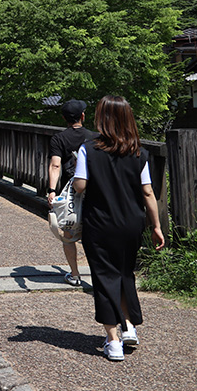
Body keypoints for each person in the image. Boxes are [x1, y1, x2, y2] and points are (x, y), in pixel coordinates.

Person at [73, 95, 165, 362]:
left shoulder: (89, 148)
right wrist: (156, 226)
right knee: (125, 273)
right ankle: (129, 327)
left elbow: (80, 185)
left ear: (103, 118)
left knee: (104, 277)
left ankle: (113, 341)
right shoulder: (139, 151)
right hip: (131, 224)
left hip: (100, 223)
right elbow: (148, 193)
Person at [47, 99, 97, 287]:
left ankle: (75, 275)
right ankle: (98, 274)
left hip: (71, 192)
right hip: (92, 188)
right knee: (92, 233)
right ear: (83, 116)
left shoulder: (58, 139)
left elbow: (55, 165)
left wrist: (52, 191)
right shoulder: (95, 137)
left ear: (64, 118)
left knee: (68, 231)